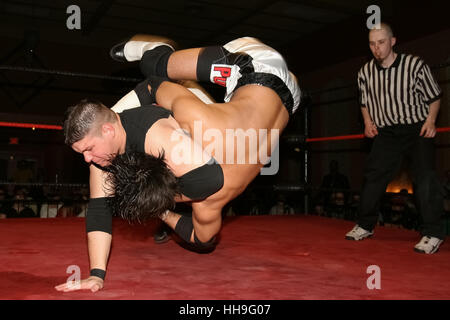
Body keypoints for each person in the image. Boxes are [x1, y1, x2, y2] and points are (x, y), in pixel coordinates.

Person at [55, 35, 300, 292]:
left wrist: (160, 211)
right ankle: (121, 108)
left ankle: (155, 51)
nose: (88, 159)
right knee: (164, 81)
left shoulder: (207, 197)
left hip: (254, 68)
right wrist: (111, 123)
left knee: (157, 66)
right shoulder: (193, 128)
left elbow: (202, 238)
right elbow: (152, 89)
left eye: (89, 149)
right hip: (270, 96)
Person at [345, 22, 445, 254]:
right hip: (387, 132)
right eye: (372, 44)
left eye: (381, 42)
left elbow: (434, 96)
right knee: (374, 176)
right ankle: (365, 224)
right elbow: (364, 102)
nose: (376, 48)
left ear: (392, 41)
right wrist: (368, 122)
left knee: (425, 178)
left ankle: (433, 233)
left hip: (416, 128)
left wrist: (430, 121)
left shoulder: (415, 65)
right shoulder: (365, 72)